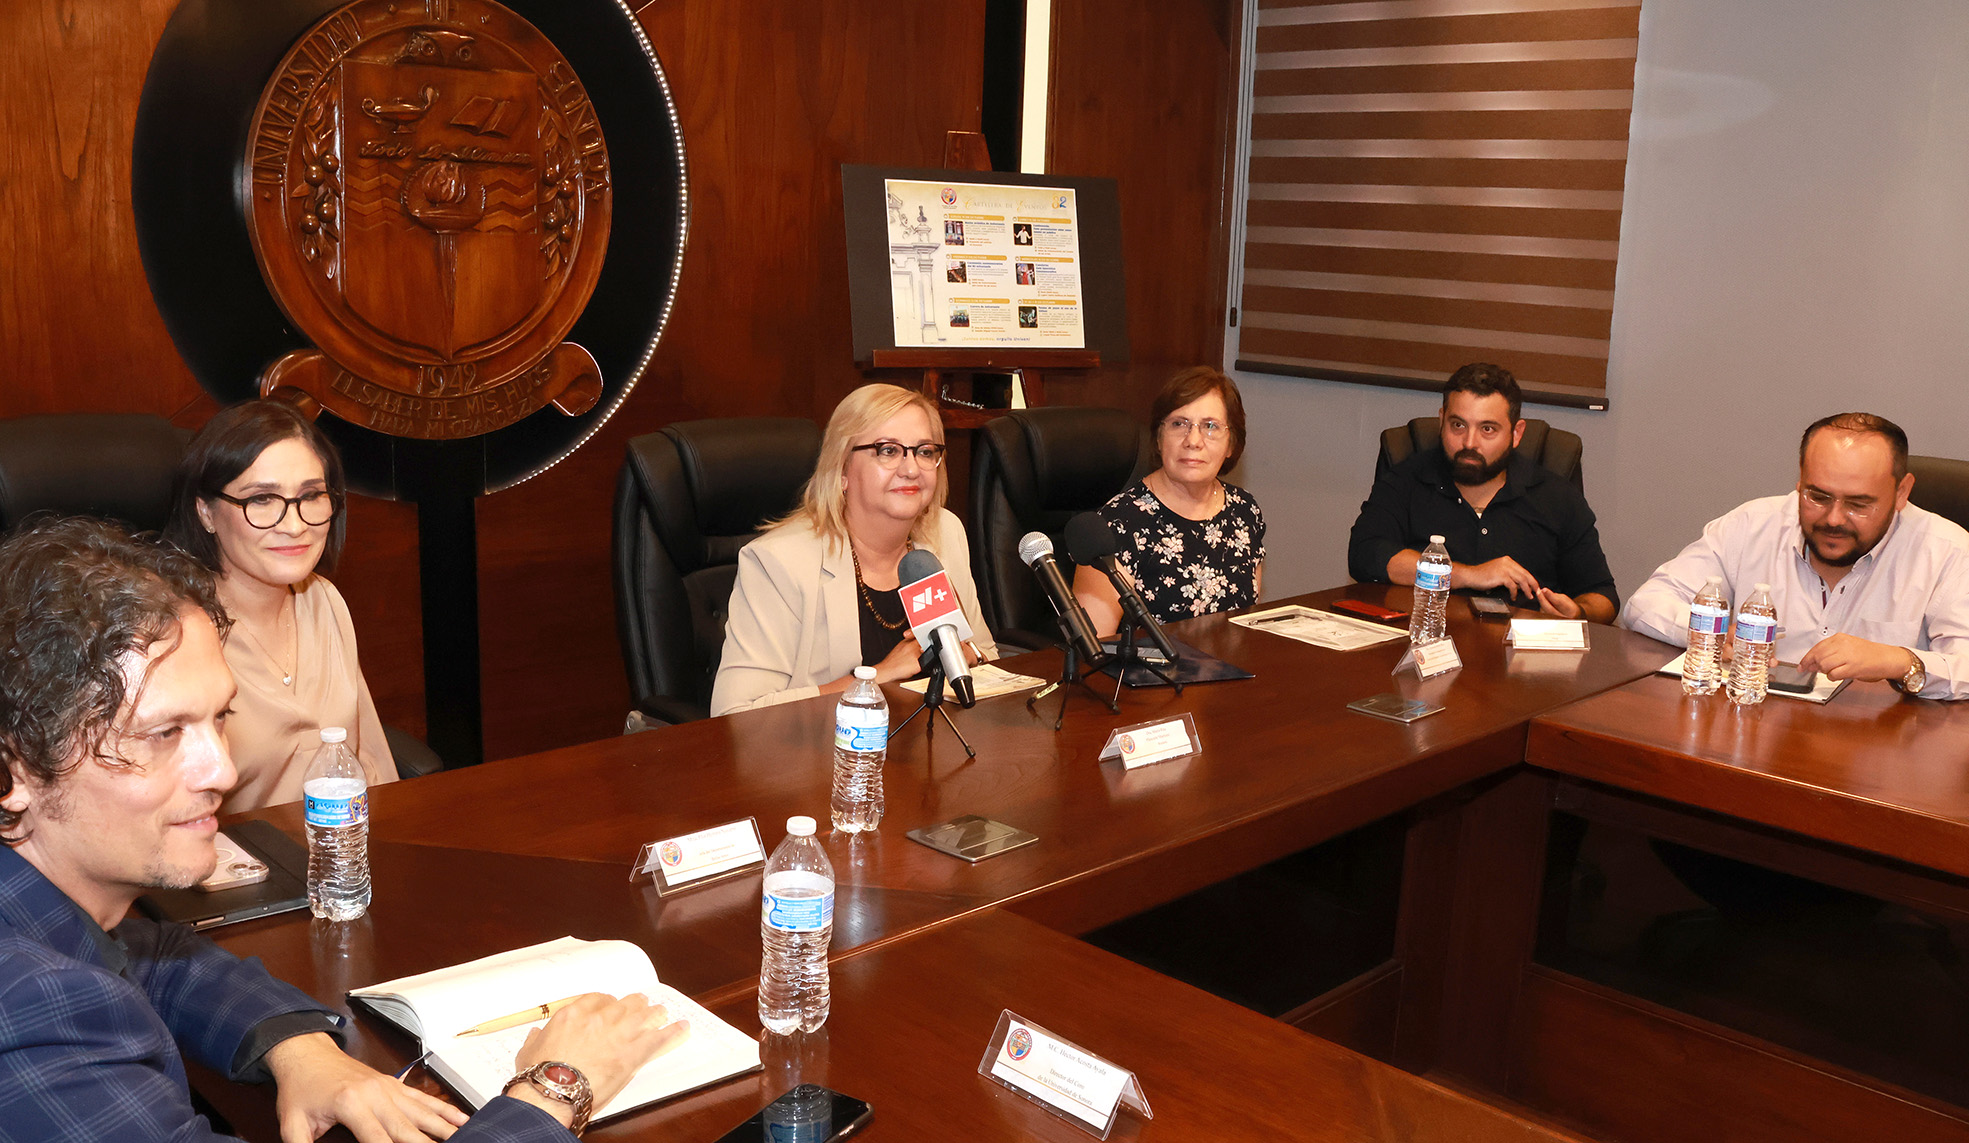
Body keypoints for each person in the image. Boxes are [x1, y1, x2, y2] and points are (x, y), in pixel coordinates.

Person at [0, 517, 688, 1141]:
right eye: (163, 733)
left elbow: (152, 956)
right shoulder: (32, 1012)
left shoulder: (49, 903)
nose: (223, 769)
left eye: (219, 718)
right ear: (15, 770)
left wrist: (299, 1048)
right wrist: (553, 1089)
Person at [1622, 412, 1969, 698]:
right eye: (1818, 497)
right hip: (1755, 724)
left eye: (1858, 504)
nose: (1834, 519)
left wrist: (1901, 661)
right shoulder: (1752, 525)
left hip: (1877, 742)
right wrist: (1709, 633)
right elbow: (1646, 603)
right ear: (1800, 480)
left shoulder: (1947, 551)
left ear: (1902, 492)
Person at [164, 400, 397, 813]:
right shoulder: (172, 636)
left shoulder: (323, 600)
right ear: (206, 512)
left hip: (339, 846)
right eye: (262, 499)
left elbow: (372, 769)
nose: (294, 525)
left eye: (311, 495)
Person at [712, 384, 999, 716]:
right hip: (831, 747)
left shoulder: (945, 533)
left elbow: (988, 656)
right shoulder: (780, 562)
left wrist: (971, 655)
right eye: (888, 450)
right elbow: (735, 715)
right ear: (842, 470)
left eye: (924, 451)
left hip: (935, 739)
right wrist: (879, 675)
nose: (911, 469)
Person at [1347, 362, 1618, 622]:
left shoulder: (1558, 497)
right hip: (1428, 640)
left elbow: (1603, 596)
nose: (1469, 442)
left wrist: (1579, 612)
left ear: (1516, 433)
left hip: (1520, 649)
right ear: (1441, 421)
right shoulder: (1407, 479)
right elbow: (1365, 554)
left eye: (1487, 429)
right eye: (1458, 425)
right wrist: (1468, 575)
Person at [1072, 367, 1266, 634]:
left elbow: (1245, 627)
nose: (1193, 440)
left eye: (1210, 426)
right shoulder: (1117, 525)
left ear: (1231, 443)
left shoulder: (1244, 511)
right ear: (1159, 438)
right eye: (1178, 424)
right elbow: (1092, 647)